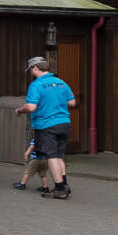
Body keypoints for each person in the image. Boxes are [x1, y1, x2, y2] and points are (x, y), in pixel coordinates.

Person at [16, 56, 76, 199]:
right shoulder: (61, 82)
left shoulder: (36, 85)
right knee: (59, 156)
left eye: (31, 69)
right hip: (64, 123)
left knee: (51, 157)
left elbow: (30, 107)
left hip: (46, 125)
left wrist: (19, 110)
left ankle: (60, 189)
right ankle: (64, 185)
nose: (31, 72)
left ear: (35, 68)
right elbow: (72, 103)